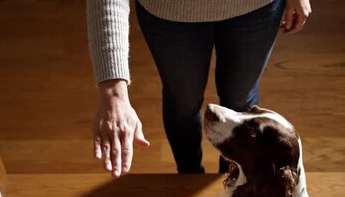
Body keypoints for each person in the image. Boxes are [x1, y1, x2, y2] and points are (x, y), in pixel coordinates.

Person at [87, 0, 312, 177]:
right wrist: (113, 90)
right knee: (182, 103)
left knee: (241, 103)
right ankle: (188, 174)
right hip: (170, 11)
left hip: (257, 7)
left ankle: (233, 177)